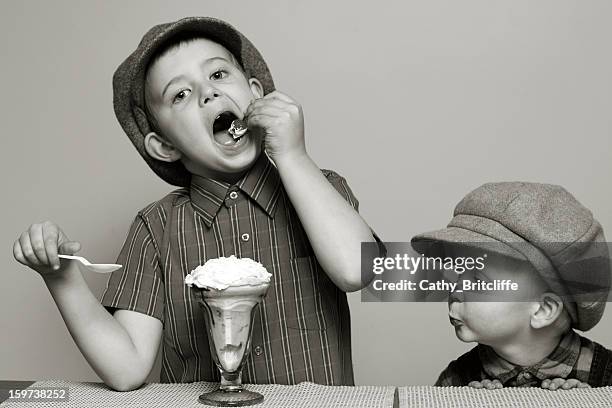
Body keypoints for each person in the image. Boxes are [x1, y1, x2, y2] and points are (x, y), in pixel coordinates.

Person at [13, 17, 382, 391]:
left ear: (256, 95)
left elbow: (358, 270)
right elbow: (126, 368)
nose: (207, 93)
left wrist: (292, 155)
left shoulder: (321, 189)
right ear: (164, 145)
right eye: (181, 95)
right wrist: (62, 279)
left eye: (219, 74)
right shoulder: (155, 228)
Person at [411, 182, 612, 388]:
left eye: (478, 281)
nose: (456, 292)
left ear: (544, 309)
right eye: (459, 274)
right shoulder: (456, 380)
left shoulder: (606, 377)